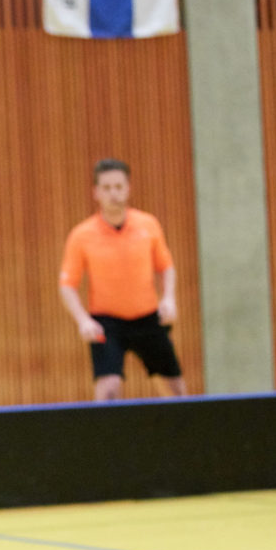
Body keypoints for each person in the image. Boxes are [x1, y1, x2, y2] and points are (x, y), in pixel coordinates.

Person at [58, 158, 187, 402]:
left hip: (148, 318)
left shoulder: (148, 225)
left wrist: (169, 298)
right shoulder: (82, 235)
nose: (113, 194)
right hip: (106, 324)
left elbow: (166, 266)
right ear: (96, 192)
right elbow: (67, 285)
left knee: (176, 391)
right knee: (108, 390)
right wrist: (82, 320)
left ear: (128, 188)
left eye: (118, 187)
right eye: (106, 188)